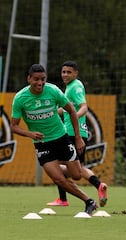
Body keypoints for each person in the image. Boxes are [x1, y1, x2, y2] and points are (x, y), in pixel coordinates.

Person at [11, 64, 97, 215]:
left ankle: (61, 168)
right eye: (36, 79)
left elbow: (71, 111)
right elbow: (14, 126)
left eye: (43, 79)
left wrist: (78, 138)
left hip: (62, 138)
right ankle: (89, 201)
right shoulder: (20, 98)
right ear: (29, 79)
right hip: (42, 144)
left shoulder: (53, 91)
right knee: (58, 180)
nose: (40, 83)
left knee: (77, 175)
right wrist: (30, 134)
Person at [47, 61, 108, 207]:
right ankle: (98, 186)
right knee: (75, 167)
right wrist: (53, 113)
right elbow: (69, 108)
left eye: (69, 72)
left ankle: (63, 199)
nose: (65, 75)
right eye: (63, 72)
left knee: (54, 164)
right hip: (76, 132)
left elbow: (83, 108)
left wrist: (75, 118)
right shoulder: (71, 87)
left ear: (76, 73)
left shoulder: (75, 87)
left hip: (72, 133)